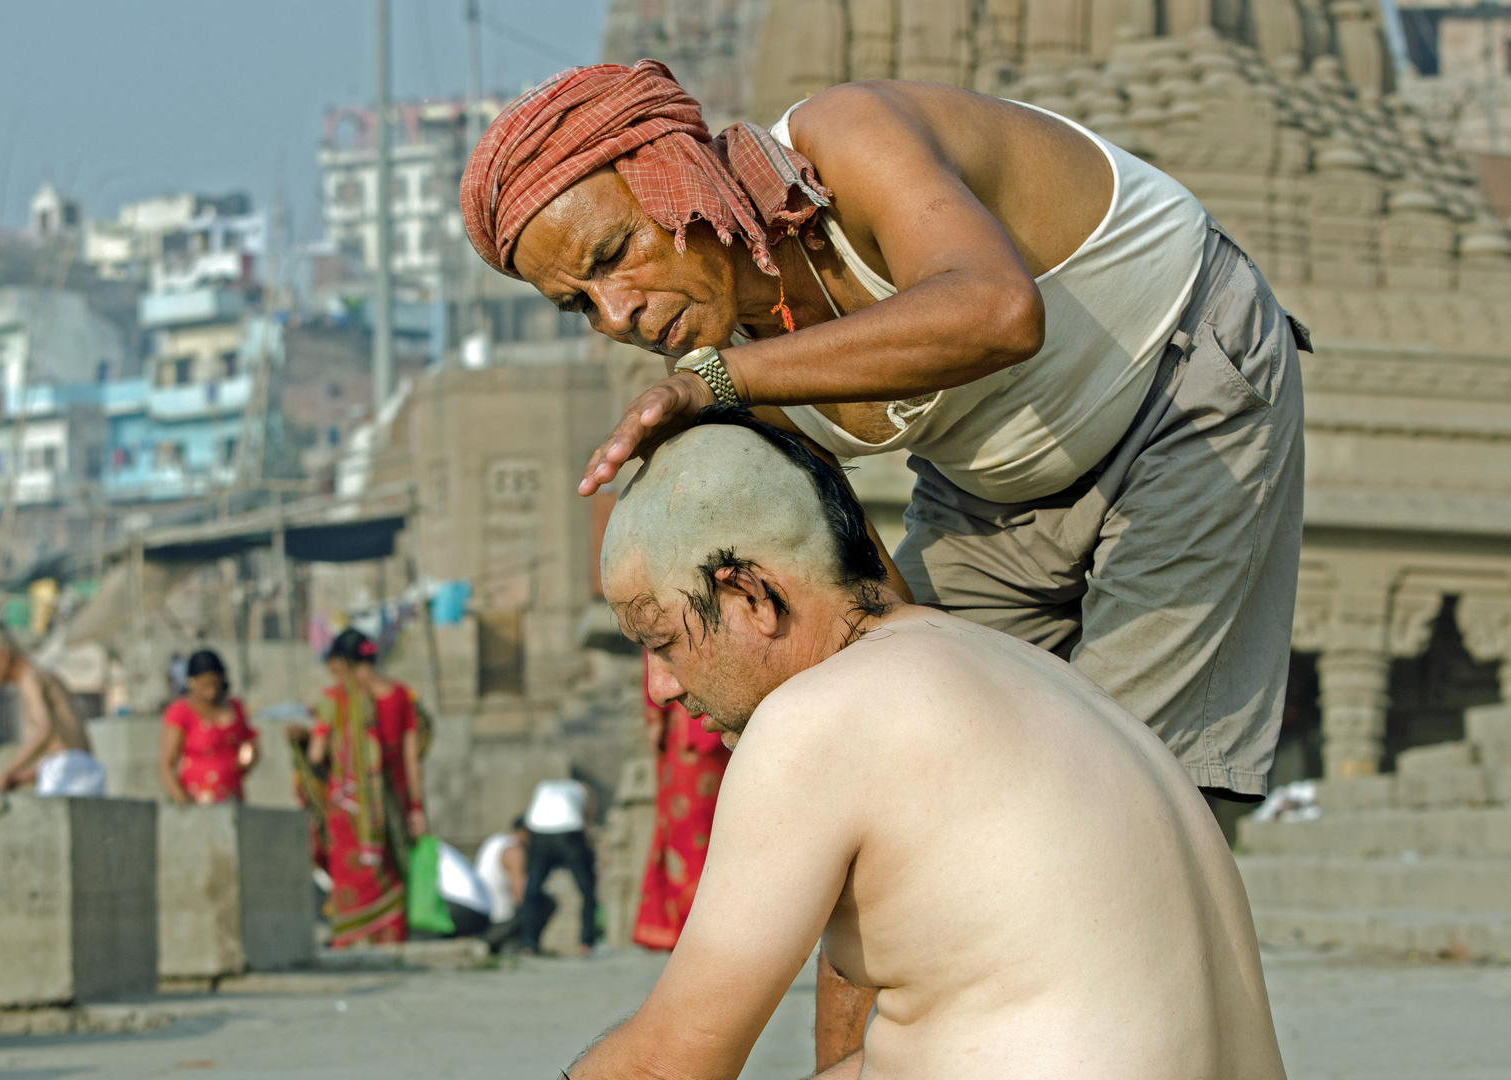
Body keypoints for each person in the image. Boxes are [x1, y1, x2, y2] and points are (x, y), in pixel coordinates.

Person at [462, 60, 1305, 1057]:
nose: (617, 314)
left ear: (671, 175)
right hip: (988, 483)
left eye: (614, 253)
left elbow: (996, 313)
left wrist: (719, 383)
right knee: (881, 814)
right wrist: (855, 757)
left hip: (1178, 399)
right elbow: (857, 598)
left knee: (1115, 783)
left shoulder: (843, 142)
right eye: (579, 303)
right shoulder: (735, 369)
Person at [564, 412, 1286, 1079]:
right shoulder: (1034, 674)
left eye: (661, 641)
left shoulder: (816, 719)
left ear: (750, 594)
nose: (659, 686)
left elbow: (668, 1065)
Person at [305, 628, 425, 948]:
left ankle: (350, 944)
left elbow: (315, 754)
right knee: (391, 875)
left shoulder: (336, 699)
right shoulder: (400, 695)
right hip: (390, 807)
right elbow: (412, 760)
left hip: (348, 812)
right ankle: (392, 942)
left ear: (342, 662)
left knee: (351, 882)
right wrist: (416, 809)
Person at [634, 661, 730, 950]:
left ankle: (702, 927)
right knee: (691, 834)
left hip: (701, 729)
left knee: (702, 833)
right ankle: (693, 927)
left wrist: (654, 719)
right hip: (696, 731)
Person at [0, 626, 105, 797]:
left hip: (66, 772)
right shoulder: (44, 675)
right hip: (86, 770)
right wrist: (30, 774)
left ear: (1, 657)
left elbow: (44, 731)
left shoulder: (29, 680)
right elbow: (65, 743)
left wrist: (6, 772)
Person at [159, 649, 258, 804]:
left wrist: (247, 759)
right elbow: (167, 765)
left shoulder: (235, 708)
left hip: (231, 797)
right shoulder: (181, 712)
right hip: (196, 800)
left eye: (214, 684)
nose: (211, 692)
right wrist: (182, 800)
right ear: (192, 682)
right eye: (205, 685)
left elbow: (249, 745)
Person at [518, 777, 599, 956]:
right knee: (586, 887)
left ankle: (528, 943)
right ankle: (586, 942)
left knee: (532, 888)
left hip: (538, 831)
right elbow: (588, 819)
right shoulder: (582, 789)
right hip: (569, 831)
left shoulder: (543, 786)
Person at [476, 818, 542, 954]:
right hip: (498, 922)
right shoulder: (515, 851)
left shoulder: (496, 841)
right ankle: (525, 946)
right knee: (544, 902)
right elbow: (522, 896)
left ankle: (509, 945)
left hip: (480, 917)